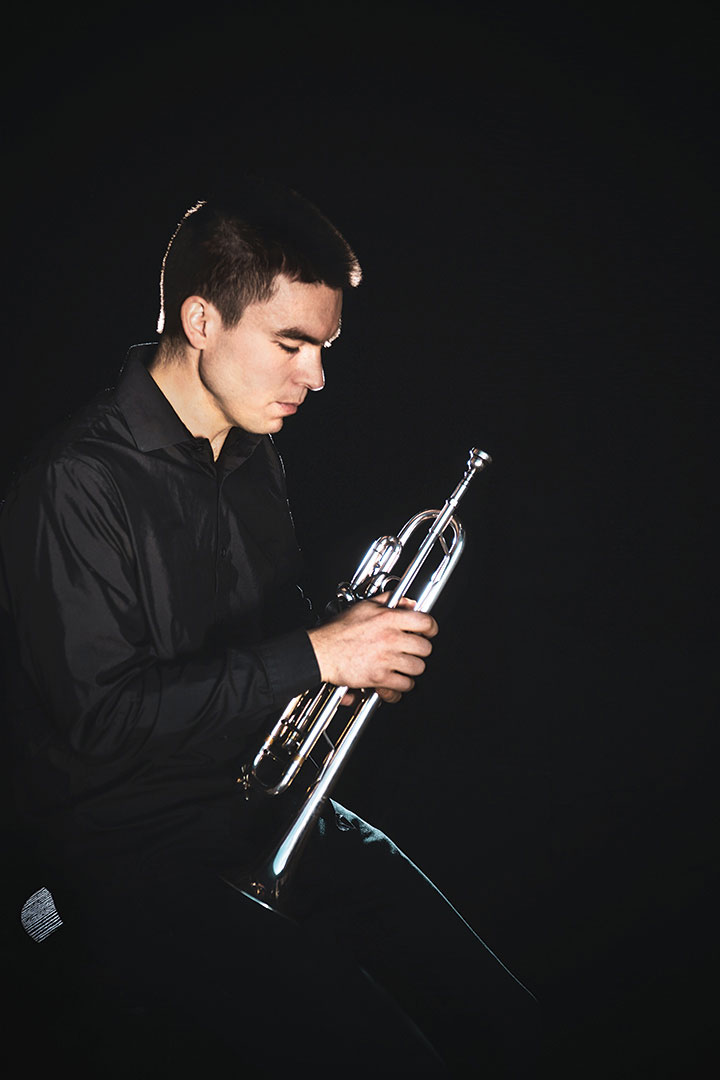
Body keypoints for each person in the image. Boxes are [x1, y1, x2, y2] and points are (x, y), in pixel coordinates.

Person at [1, 179, 540, 1076]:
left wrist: (355, 637)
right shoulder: (75, 484)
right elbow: (101, 718)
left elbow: (274, 646)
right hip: (136, 854)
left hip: (274, 808)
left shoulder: (255, 457)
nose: (316, 377)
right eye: (292, 344)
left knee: (510, 1027)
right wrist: (318, 651)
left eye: (324, 347)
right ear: (202, 321)